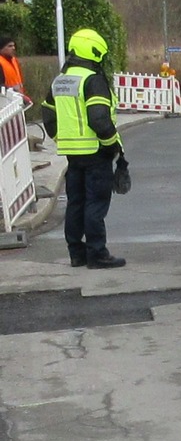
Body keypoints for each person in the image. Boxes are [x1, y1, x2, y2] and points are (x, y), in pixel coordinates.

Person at [41, 28, 126, 269]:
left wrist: (61, 138)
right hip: (95, 152)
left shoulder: (60, 79)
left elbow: (48, 113)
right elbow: (99, 119)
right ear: (94, 51)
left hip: (72, 154)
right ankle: (97, 254)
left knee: (76, 203)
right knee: (95, 203)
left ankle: (76, 254)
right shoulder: (93, 80)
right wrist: (114, 146)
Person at [0, 35, 31, 106]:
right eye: (9, 46)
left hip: (17, 103)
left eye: (13, 46)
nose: (13, 48)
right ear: (1, 49)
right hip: (5, 105)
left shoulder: (14, 61)